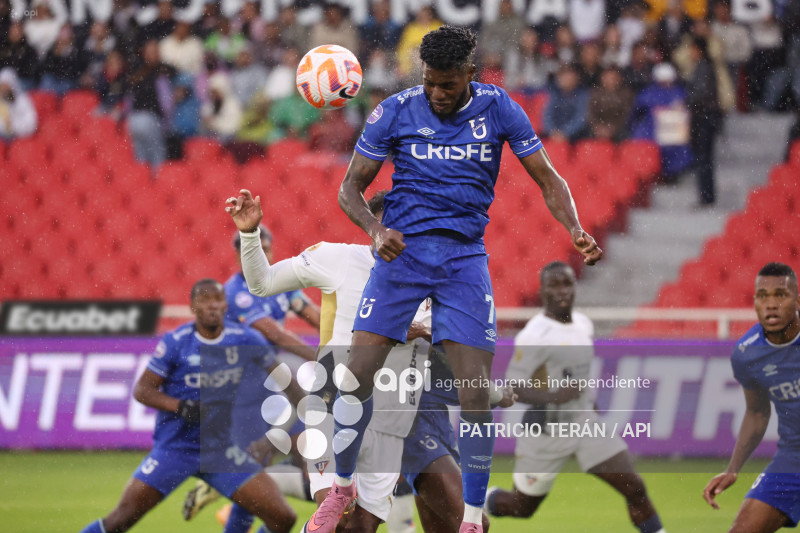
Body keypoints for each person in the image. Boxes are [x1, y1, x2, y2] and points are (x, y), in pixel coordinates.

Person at [315, 25, 602, 533]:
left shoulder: (499, 108)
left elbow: (547, 177)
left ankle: (472, 520)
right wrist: (375, 229)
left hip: (464, 261)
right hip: (401, 258)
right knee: (356, 372)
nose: (437, 94)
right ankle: (341, 489)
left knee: (474, 391)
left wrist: (575, 228)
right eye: (430, 82)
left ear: (470, 74)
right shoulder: (397, 110)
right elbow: (349, 191)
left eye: (447, 84)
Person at [225, 190, 429, 533]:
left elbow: (450, 341)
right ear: (374, 227)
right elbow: (261, 283)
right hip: (335, 406)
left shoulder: (433, 278)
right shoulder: (335, 259)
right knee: (334, 519)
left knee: (361, 528)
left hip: (392, 421)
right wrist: (249, 235)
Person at [78, 279, 304, 533]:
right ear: (193, 306)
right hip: (175, 450)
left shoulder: (244, 338)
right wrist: (181, 406)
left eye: (217, 300)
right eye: (204, 300)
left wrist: (304, 406)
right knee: (119, 521)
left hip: (221, 451)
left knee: (283, 518)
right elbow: (143, 390)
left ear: (225, 305)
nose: (212, 306)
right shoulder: (176, 342)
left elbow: (283, 376)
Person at [484, 261, 666, 533]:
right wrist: (555, 396)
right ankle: (481, 500)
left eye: (567, 283)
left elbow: (577, 375)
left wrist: (590, 405)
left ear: (574, 287)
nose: (562, 291)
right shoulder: (535, 335)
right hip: (545, 430)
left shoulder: (583, 323)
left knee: (635, 487)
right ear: (542, 290)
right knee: (522, 508)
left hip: (583, 421)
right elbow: (512, 387)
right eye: (553, 285)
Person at [182, 227, 321, 533]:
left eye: (267, 250)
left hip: (272, 381)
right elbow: (274, 334)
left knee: (310, 457)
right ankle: (233, 489)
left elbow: (314, 314)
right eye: (254, 250)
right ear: (240, 255)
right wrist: (320, 357)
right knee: (252, 477)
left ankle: (228, 488)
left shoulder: (282, 284)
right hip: (241, 392)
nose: (263, 256)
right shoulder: (234, 293)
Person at [703, 262, 800, 533]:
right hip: (794, 458)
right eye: (762, 295)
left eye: (780, 295)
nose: (770, 303)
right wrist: (733, 468)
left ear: (797, 300)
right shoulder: (747, 354)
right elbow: (757, 413)